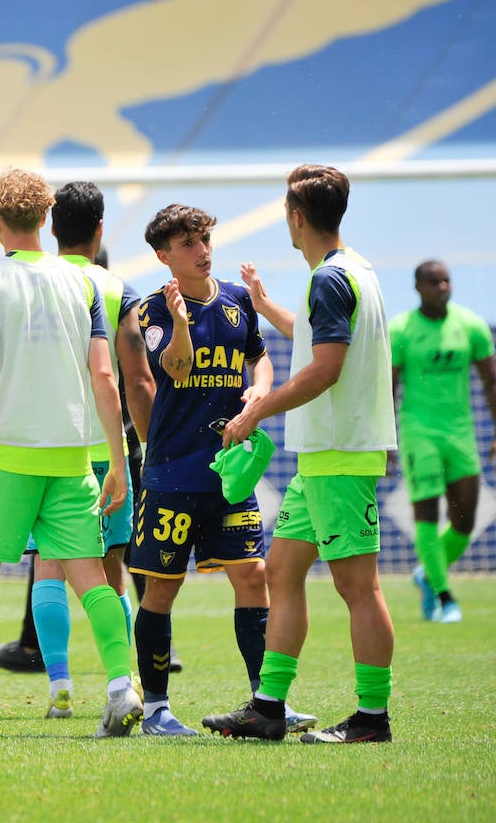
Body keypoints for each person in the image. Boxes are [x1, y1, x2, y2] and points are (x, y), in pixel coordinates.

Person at [0, 169, 139, 738]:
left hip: (5, 453)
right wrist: (118, 462)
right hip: (74, 456)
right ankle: (122, 689)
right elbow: (106, 377)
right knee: (94, 579)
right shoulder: (86, 284)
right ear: (45, 220)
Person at [203, 164, 397, 744]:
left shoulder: (332, 279)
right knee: (281, 572)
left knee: (358, 588)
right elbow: (319, 341)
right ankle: (268, 707)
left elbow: (326, 369)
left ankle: (371, 718)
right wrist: (265, 307)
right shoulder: (352, 270)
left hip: (340, 455)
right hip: (321, 458)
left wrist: (258, 408)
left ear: (296, 216)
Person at [129, 203, 315, 737]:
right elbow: (178, 368)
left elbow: (260, 355)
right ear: (164, 256)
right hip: (172, 471)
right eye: (187, 244)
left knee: (253, 576)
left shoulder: (236, 299)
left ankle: (267, 701)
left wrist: (259, 388)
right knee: (161, 589)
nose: (202, 251)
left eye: (205, 239)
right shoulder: (154, 309)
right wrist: (183, 326)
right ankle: (158, 709)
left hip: (228, 476)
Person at [22, 181, 155, 719]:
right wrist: (149, 447)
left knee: (49, 564)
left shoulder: (27, 282)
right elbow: (138, 379)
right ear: (101, 229)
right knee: (111, 568)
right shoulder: (117, 288)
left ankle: (58, 684)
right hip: (108, 447)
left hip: (48, 444)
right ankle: (121, 685)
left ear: (52, 228)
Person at [389, 260, 496, 622]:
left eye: (446, 280)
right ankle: (444, 597)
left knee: (464, 521)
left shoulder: (471, 325)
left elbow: (493, 383)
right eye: (433, 282)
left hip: (460, 433)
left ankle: (428, 572)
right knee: (426, 512)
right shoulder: (401, 330)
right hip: (418, 432)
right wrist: (388, 441)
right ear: (418, 288)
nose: (443, 287)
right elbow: (389, 389)